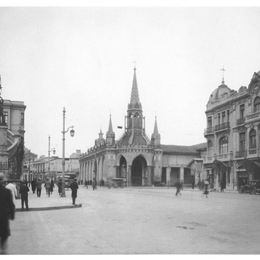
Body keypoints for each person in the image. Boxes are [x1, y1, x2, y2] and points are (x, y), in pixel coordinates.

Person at [0, 173, 15, 254]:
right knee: (4, 235)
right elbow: (11, 204)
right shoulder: (7, 192)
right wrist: (12, 215)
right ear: (3, 181)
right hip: (3, 217)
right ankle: (2, 249)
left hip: (3, 217)